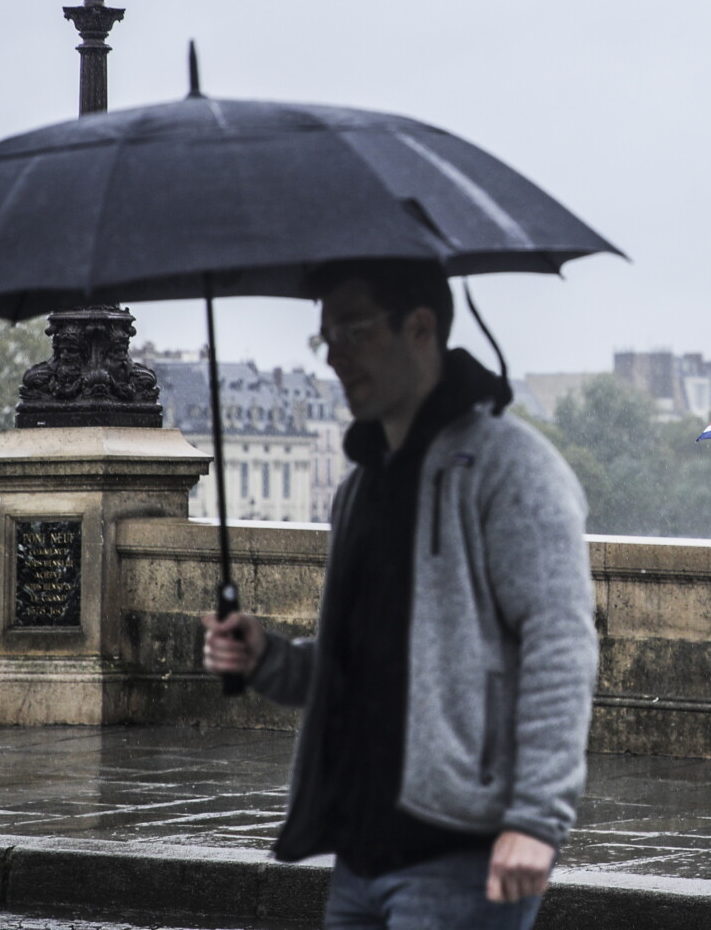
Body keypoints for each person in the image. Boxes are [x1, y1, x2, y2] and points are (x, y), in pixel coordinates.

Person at [201, 259, 598, 929]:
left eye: (352, 332)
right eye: (324, 339)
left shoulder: (510, 465)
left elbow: (560, 646)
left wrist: (537, 817)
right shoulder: (360, 486)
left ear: (420, 328)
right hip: (360, 852)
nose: (334, 357)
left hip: (458, 853)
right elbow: (359, 662)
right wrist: (269, 657)